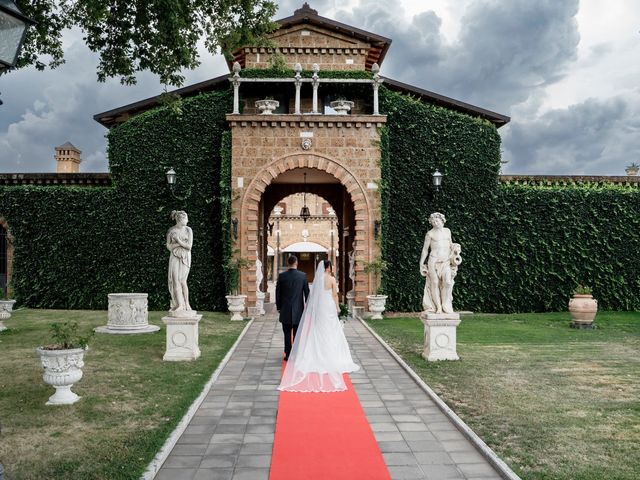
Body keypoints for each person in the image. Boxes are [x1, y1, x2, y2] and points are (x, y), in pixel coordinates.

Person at [278, 260, 360, 393]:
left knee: (317, 330)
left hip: (319, 308)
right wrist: (338, 307)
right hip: (328, 307)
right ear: (328, 268)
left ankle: (304, 354)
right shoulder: (331, 279)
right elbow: (334, 295)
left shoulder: (317, 279)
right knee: (331, 330)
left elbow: (312, 296)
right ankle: (329, 354)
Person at [419, 212, 462, 314]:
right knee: (434, 283)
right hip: (433, 261)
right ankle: (438, 307)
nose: (435, 223)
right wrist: (421, 264)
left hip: (446, 261)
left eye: (437, 221)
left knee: (447, 282)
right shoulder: (430, 234)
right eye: (433, 222)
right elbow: (425, 250)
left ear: (442, 221)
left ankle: (445, 304)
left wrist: (455, 247)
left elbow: (450, 244)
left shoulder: (447, 231)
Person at [276, 255, 310, 361]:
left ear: (287, 263)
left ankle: (288, 354)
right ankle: (296, 354)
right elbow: (307, 293)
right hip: (298, 310)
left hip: (285, 309)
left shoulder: (282, 276)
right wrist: (307, 307)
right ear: (297, 263)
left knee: (286, 334)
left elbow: (278, 293)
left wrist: (278, 307)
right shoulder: (303, 276)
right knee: (297, 333)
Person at [166, 210, 193, 314]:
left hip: (185, 257)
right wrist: (179, 244)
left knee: (182, 280)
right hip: (174, 256)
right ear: (180, 219)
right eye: (186, 218)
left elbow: (189, 246)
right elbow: (168, 246)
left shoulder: (188, 230)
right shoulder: (171, 230)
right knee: (175, 280)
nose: (187, 220)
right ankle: (179, 305)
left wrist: (177, 240)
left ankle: (187, 303)